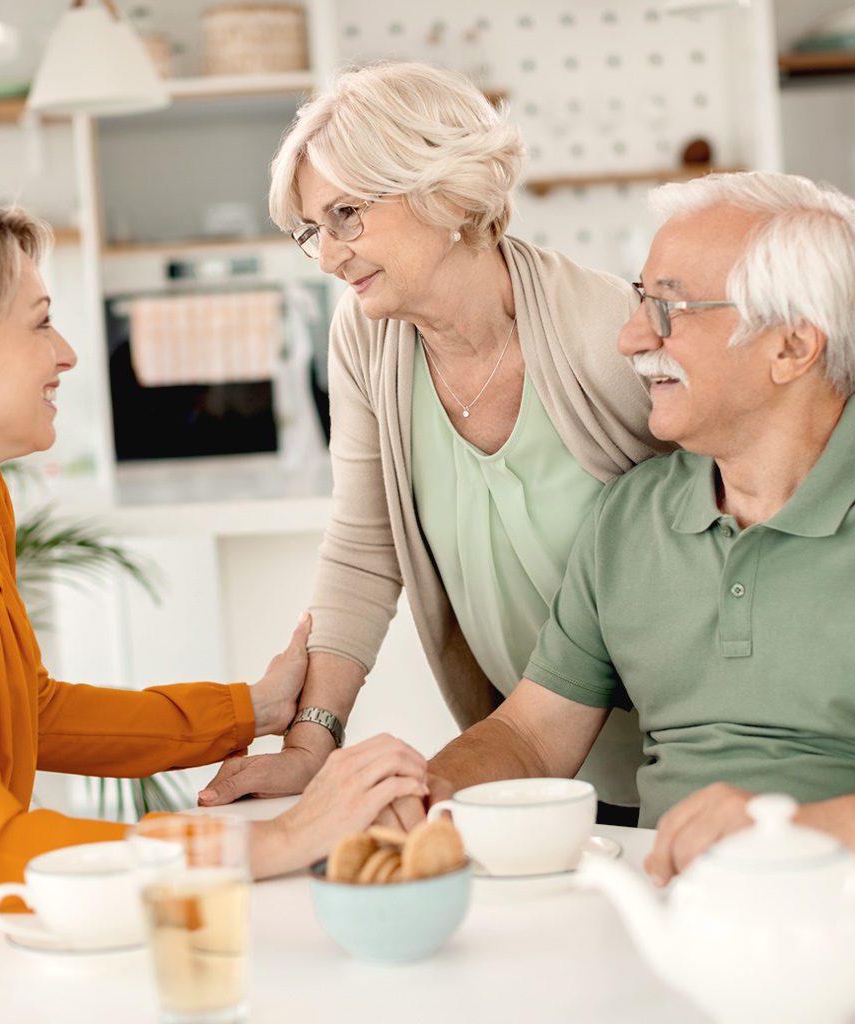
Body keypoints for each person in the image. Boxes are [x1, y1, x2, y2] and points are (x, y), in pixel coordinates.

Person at [0, 197, 430, 910]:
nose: (67, 354)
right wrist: (278, 839)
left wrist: (250, 711)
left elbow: (34, 712)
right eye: (41, 321)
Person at [199, 60, 670, 823]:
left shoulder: (603, 331)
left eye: (346, 214)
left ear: (442, 189)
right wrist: (312, 741)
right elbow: (363, 544)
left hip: (673, 759)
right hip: (522, 764)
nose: (325, 254)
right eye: (311, 230)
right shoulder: (367, 337)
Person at [421, 170, 855, 882]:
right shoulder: (632, 514)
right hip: (666, 912)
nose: (629, 339)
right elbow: (532, 735)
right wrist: (424, 791)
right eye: (637, 302)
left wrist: (796, 832)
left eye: (669, 310)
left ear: (791, 347)